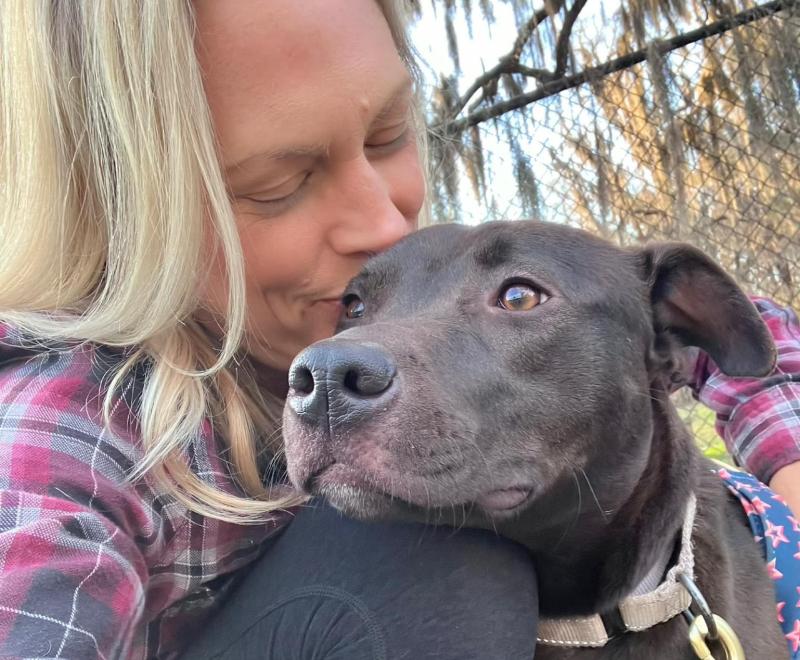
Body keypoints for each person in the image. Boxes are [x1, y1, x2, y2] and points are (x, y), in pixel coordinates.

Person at [0, 1, 798, 658]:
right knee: (442, 578)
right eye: (280, 184)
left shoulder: (380, 292)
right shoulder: (72, 429)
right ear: (129, 221)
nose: (384, 222)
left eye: (388, 135)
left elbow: (695, 323)